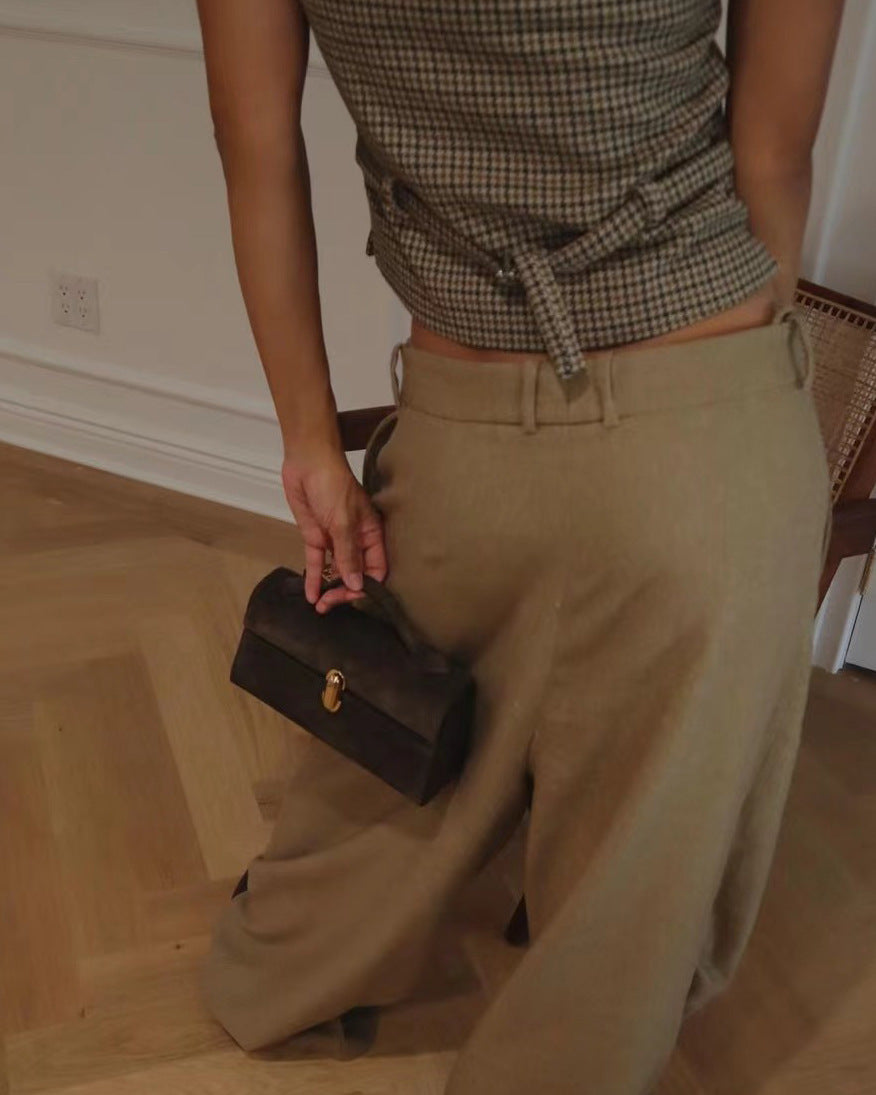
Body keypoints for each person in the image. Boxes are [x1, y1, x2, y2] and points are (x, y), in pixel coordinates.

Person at [193, 1, 844, 1091]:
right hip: (712, 422)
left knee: (387, 769)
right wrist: (734, 388)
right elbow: (773, 157)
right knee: (634, 884)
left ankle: (276, 974)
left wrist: (313, 444)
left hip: (463, 423)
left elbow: (254, 147)